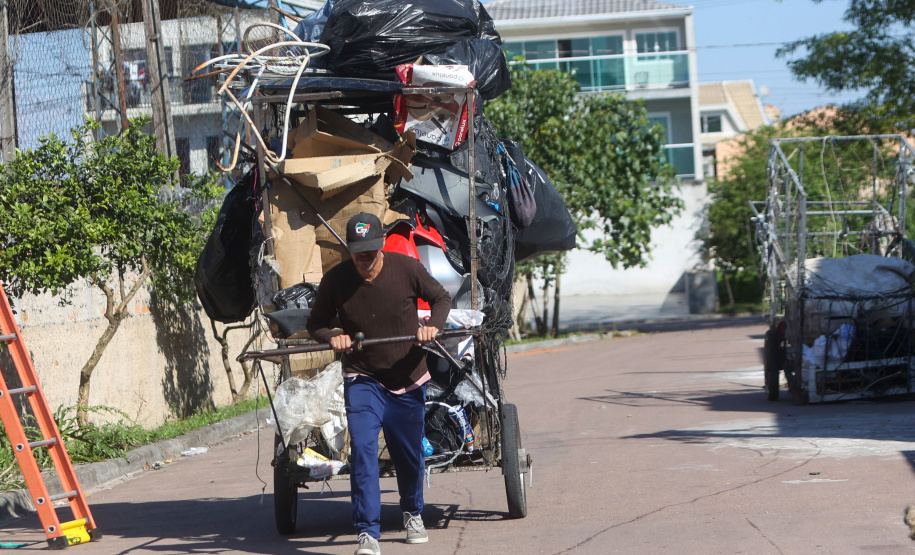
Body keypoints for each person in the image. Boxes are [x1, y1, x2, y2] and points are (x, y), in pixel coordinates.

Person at [306, 212, 451, 555]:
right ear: (349, 249)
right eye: (358, 252)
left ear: (381, 244)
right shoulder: (336, 280)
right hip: (363, 376)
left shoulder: (407, 269)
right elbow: (316, 323)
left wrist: (434, 326)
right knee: (364, 452)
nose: (365, 258)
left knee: (408, 453)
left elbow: (442, 299)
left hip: (407, 376)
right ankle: (367, 533)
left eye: (370, 250)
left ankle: (412, 511)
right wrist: (333, 337)